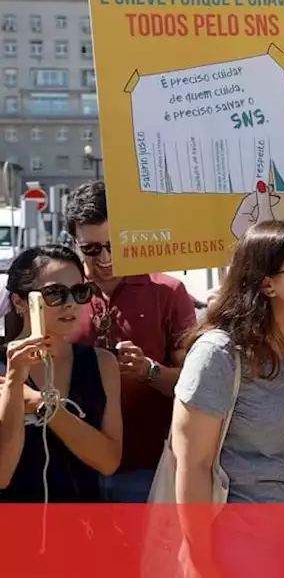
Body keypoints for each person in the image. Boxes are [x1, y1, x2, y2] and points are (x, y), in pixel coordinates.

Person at [171, 221, 284, 577]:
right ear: (266, 283)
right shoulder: (218, 354)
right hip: (241, 542)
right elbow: (192, 465)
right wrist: (199, 558)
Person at [62, 181, 196, 503]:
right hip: (72, 465)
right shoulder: (60, 293)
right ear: (74, 243)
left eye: (115, 245)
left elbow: (195, 385)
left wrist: (149, 372)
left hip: (148, 465)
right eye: (92, 249)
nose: (106, 258)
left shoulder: (167, 292)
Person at [0, 245, 121, 502]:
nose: (70, 304)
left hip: (82, 528)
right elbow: (2, 473)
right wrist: (13, 383)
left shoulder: (101, 363)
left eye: (79, 292)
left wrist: (44, 406)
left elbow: (108, 461)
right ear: (21, 302)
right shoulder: (6, 368)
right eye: (55, 294)